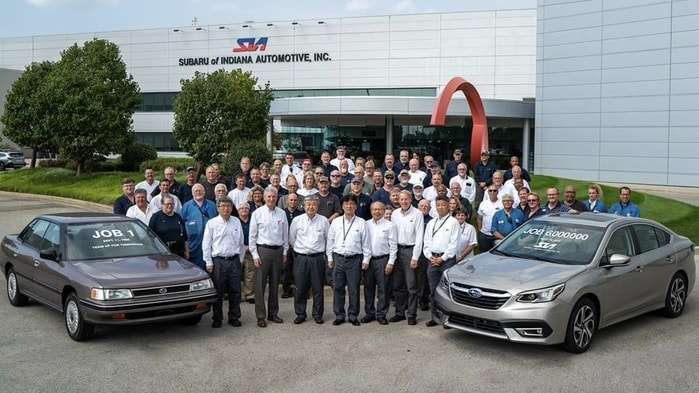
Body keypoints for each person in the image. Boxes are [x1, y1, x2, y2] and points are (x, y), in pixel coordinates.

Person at [326, 195, 371, 326]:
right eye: (346, 204)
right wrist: (330, 258)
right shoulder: (336, 222)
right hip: (338, 258)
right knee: (338, 288)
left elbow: (366, 243)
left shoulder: (361, 222)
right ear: (342, 206)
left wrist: (366, 259)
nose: (349, 206)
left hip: (355, 260)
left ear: (356, 206)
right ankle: (339, 315)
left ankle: (353, 315)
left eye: (352, 204)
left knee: (353, 289)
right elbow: (330, 241)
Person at [202, 196, 245, 328]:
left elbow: (241, 242)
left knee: (235, 291)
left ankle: (234, 317)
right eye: (223, 206)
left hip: (234, 261)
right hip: (218, 262)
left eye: (228, 206)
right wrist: (208, 262)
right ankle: (217, 318)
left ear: (232, 208)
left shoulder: (236, 221)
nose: (226, 209)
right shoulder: (212, 223)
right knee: (218, 291)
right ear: (218, 208)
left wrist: (241, 259)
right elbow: (206, 244)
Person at [249, 186, 289, 328]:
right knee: (259, 285)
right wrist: (254, 254)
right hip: (262, 251)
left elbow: (285, 234)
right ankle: (261, 316)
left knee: (274, 284)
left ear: (277, 197)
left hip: (277, 252)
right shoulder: (257, 213)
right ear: (264, 198)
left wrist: (285, 252)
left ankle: (273, 313)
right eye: (269, 197)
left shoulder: (282, 213)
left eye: (274, 196)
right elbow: (252, 236)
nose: (271, 199)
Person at [289, 196, 330, 324]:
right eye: (308, 204)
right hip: (301, 258)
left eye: (313, 204)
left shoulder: (323, 221)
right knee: (300, 288)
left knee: (318, 288)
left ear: (317, 206)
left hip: (317, 258)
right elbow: (292, 239)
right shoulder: (297, 220)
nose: (311, 207)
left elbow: (328, 239)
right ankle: (300, 314)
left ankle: (318, 314)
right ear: (304, 206)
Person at [423, 196, 460, 327]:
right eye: (438, 205)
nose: (440, 207)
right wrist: (430, 257)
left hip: (447, 261)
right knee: (433, 290)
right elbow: (426, 242)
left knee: (447, 291)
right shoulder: (431, 223)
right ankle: (435, 317)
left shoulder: (453, 222)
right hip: (432, 260)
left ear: (448, 206)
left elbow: (454, 245)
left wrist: (442, 258)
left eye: (443, 205)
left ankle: (447, 319)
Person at [389, 191, 425, 325]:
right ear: (398, 200)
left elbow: (420, 237)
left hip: (411, 251)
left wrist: (415, 257)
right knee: (398, 285)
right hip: (397, 250)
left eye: (406, 199)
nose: (403, 202)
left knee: (412, 286)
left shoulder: (417, 214)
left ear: (411, 200)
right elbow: (392, 235)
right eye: (401, 199)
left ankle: (411, 314)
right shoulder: (395, 214)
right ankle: (399, 313)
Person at [362, 201, 397, 325]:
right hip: (369, 261)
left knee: (383, 289)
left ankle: (381, 314)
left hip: (383, 260)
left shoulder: (390, 225)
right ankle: (369, 313)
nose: (377, 212)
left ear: (383, 211)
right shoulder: (365, 224)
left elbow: (393, 246)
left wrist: (391, 262)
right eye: (374, 209)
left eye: (379, 209)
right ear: (371, 211)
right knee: (368, 288)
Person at [180, 184, 218, 270]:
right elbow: (181, 225)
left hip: (211, 244)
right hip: (194, 245)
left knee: (211, 269)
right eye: (196, 191)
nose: (198, 192)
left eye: (200, 190)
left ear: (204, 192)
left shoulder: (212, 205)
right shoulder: (186, 206)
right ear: (192, 193)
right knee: (196, 269)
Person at [149, 195, 189, 259]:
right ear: (162, 204)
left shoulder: (178, 217)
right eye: (167, 204)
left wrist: (187, 251)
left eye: (172, 204)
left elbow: (185, 236)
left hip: (179, 253)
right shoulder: (155, 217)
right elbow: (150, 236)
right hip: (163, 253)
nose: (170, 206)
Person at [282, 193, 303, 299]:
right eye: (291, 200)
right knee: (286, 269)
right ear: (287, 201)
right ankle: (286, 290)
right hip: (285, 244)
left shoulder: (301, 213)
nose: (293, 202)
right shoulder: (282, 213)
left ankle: (299, 290)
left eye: (295, 200)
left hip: (298, 244)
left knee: (298, 269)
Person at [237, 203, 255, 304]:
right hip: (238, 250)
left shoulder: (253, 220)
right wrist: (242, 246)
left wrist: (250, 246)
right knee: (237, 273)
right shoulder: (235, 221)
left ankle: (249, 295)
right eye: (241, 208)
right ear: (238, 210)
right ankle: (237, 294)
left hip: (250, 250)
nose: (244, 210)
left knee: (250, 273)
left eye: (246, 208)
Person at [477, 185, 503, 252]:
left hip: (498, 235)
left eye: (494, 190)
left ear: (498, 192)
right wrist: (480, 230)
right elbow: (479, 218)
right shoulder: (483, 203)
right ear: (487, 192)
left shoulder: (502, 203)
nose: (492, 192)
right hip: (485, 235)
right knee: (483, 255)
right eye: (490, 191)